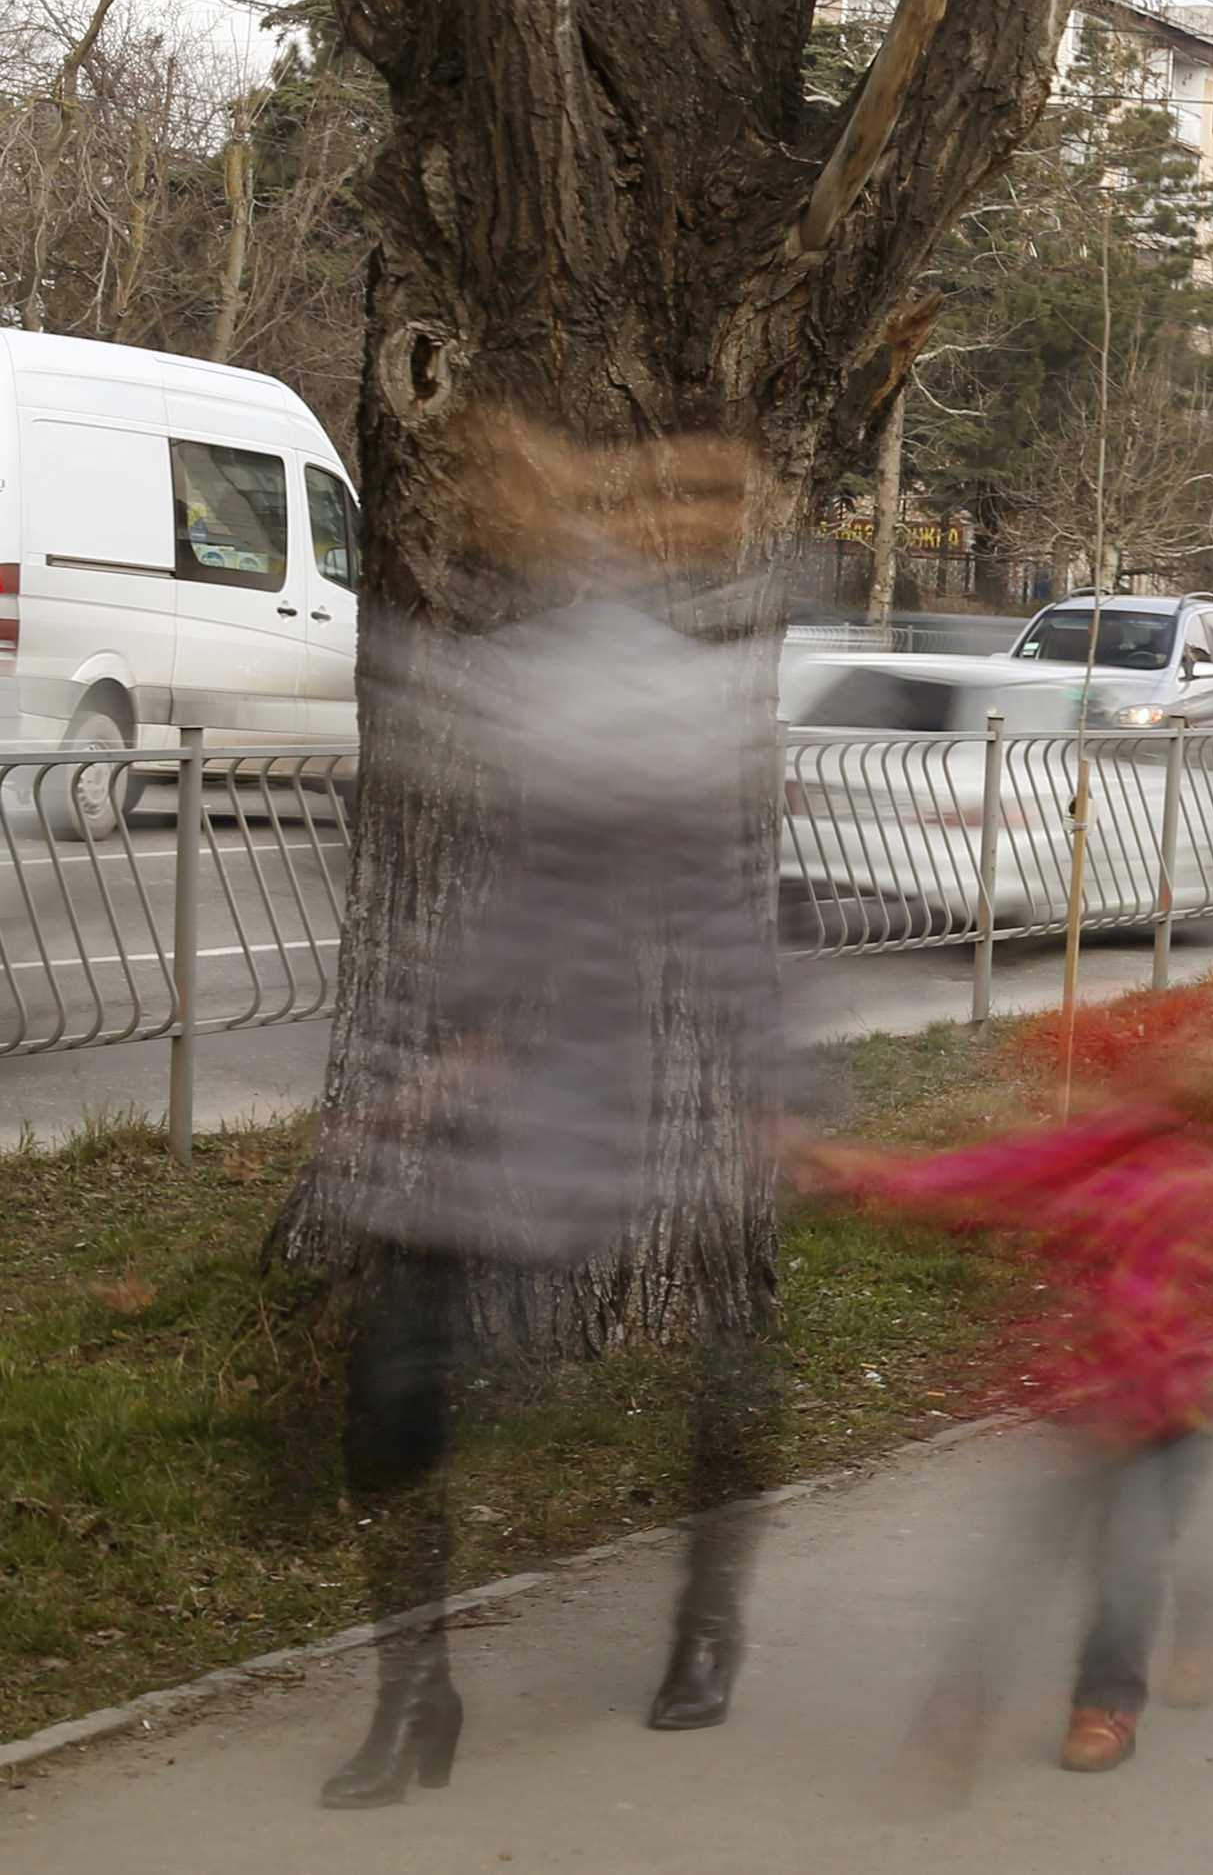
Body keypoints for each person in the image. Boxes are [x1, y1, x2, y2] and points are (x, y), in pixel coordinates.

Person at [306, 416, 800, 1809]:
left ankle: (708, 1621)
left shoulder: (645, 678)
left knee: (726, 1336)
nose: (475, 515)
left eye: (492, 493)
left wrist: (771, 1092)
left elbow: (710, 904)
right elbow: (519, 888)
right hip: (491, 1091)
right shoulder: (525, 649)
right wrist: (438, 1059)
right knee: (395, 1392)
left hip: (628, 1089)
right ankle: (416, 1686)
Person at [798, 978, 1213, 1782]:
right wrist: (867, 1174)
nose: (1186, 1071)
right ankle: (965, 1702)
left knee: (1132, 1547)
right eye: (1165, 1059)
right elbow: (979, 1175)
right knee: (1032, 1548)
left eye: (1203, 1057)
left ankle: (1106, 1700)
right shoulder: (1092, 1149)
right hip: (1087, 1392)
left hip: (1190, 1404)